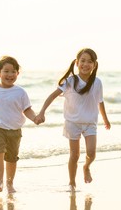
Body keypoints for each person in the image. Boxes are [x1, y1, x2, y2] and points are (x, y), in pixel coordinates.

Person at [35, 48, 111, 191]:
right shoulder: (70, 81)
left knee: (91, 153)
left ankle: (86, 167)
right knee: (74, 155)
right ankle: (72, 182)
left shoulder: (97, 82)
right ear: (77, 63)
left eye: (89, 61)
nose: (85, 64)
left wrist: (105, 120)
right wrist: (41, 112)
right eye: (82, 61)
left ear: (94, 65)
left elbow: (100, 102)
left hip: (90, 123)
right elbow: (52, 96)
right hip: (72, 123)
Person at [0, 56, 38, 193]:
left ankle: (10, 183)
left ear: (17, 74)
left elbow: (27, 109)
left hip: (14, 130)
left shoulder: (20, 92)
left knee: (12, 158)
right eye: (6, 71)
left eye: (13, 71)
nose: (10, 75)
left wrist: (35, 118)